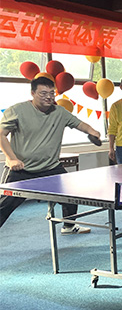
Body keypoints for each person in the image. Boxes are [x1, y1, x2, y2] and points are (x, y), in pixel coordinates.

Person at [1, 76, 101, 234]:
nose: (48, 97)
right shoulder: (17, 111)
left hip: (51, 167)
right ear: (33, 93)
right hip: (21, 170)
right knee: (5, 206)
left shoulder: (60, 112)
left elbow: (80, 124)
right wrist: (12, 159)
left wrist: (93, 132)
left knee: (71, 195)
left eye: (51, 93)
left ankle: (69, 226)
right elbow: (1, 134)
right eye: (43, 93)